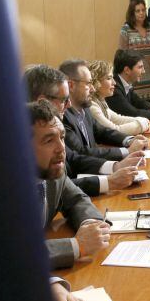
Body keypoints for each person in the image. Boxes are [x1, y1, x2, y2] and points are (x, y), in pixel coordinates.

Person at [24, 64, 142, 196]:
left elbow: (73, 160)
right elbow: (62, 186)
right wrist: (109, 181)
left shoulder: (60, 122)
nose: (68, 105)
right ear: (43, 102)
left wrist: (115, 167)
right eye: (64, 100)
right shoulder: (23, 143)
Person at [27, 99, 111, 272]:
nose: (61, 148)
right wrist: (76, 245)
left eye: (62, 137)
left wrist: (90, 225)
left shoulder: (54, 170)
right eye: (49, 140)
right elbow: (8, 255)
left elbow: (77, 200)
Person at [59, 59, 150, 160]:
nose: (93, 88)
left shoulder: (85, 109)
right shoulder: (63, 116)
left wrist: (129, 140)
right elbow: (80, 152)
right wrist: (127, 151)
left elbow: (102, 132)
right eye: (88, 83)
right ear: (71, 85)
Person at [87, 59, 150, 135]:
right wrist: (141, 125)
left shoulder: (100, 100)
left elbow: (118, 119)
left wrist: (142, 120)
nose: (114, 82)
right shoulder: (92, 105)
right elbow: (113, 130)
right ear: (96, 82)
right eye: (109, 78)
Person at [107, 49, 150, 120]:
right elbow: (132, 113)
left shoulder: (124, 82)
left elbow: (138, 101)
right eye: (140, 67)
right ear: (127, 70)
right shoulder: (114, 88)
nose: (144, 71)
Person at [118, 0, 150, 102]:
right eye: (137, 11)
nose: (141, 13)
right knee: (135, 110)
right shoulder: (126, 29)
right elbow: (122, 55)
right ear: (132, 13)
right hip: (134, 77)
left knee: (149, 108)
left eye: (143, 10)